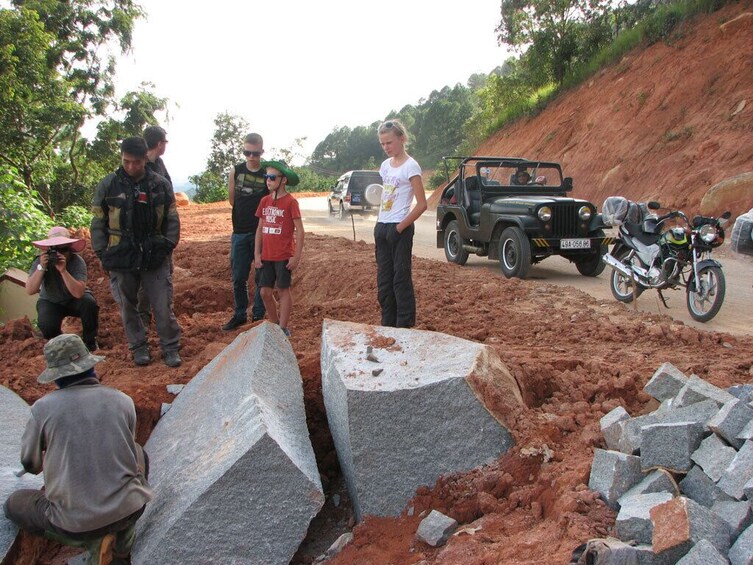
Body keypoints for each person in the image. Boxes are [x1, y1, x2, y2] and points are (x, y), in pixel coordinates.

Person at [3, 334, 153, 565]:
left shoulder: (42, 409)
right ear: (90, 365)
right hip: (130, 510)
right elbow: (126, 448)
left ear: (55, 376)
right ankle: (122, 543)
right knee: (139, 452)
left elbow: (30, 464)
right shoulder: (122, 400)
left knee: (14, 504)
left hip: (77, 525)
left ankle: (94, 543)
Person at [90, 136, 182, 367]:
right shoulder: (108, 185)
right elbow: (98, 222)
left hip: (154, 253)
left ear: (144, 160)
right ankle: (139, 347)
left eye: (136, 162)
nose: (131, 166)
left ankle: (170, 347)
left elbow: (172, 219)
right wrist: (102, 253)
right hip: (121, 254)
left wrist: (167, 245)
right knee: (127, 306)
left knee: (162, 304)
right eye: (126, 161)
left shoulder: (160, 185)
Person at [374, 119, 427, 328]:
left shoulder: (411, 166)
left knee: (400, 279)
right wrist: (381, 224)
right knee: (384, 281)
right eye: (382, 144)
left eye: (389, 142)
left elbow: (422, 204)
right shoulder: (385, 166)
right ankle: (387, 325)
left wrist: (399, 228)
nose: (386, 147)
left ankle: (404, 326)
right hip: (382, 226)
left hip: (400, 228)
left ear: (402, 139)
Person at [26, 226, 100, 352]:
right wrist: (41, 267)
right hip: (51, 301)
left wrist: (63, 270)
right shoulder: (40, 262)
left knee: (89, 304)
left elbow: (78, 293)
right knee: (47, 325)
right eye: (54, 249)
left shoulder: (77, 261)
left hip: (73, 299)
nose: (59, 254)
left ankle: (90, 341)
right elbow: (30, 290)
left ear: (70, 248)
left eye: (63, 249)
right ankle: (61, 344)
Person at [253, 159, 304, 337]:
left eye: (272, 177)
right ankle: (275, 324)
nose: (268, 180)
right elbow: (259, 229)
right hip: (266, 255)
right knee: (264, 292)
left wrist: (296, 256)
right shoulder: (264, 201)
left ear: (283, 180)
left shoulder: (291, 202)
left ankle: (283, 328)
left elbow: (300, 230)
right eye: (266, 176)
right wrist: (257, 254)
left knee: (283, 290)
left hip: (283, 255)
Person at [222, 133, 267, 331]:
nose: (251, 157)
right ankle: (240, 314)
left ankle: (258, 314)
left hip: (260, 232)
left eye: (255, 153)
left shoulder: (267, 173)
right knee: (238, 277)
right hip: (239, 231)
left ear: (261, 152)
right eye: (247, 152)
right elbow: (232, 200)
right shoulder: (236, 171)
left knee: (261, 276)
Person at [138, 125, 173, 329]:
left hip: (163, 232)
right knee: (145, 275)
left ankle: (165, 315)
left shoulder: (159, 164)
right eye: (165, 142)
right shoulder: (140, 166)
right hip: (145, 233)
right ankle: (143, 317)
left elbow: (169, 193)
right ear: (160, 143)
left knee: (166, 273)